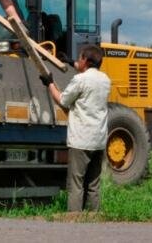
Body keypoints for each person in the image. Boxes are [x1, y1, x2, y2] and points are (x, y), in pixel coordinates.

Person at [39, 45, 111, 212]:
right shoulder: (105, 80)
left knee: (76, 184)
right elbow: (85, 72)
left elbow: (63, 100)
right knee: (93, 184)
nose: (77, 60)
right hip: (99, 139)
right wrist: (70, 61)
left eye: (79, 58)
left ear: (85, 60)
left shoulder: (80, 80)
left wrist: (49, 83)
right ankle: (93, 216)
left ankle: (74, 219)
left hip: (81, 140)